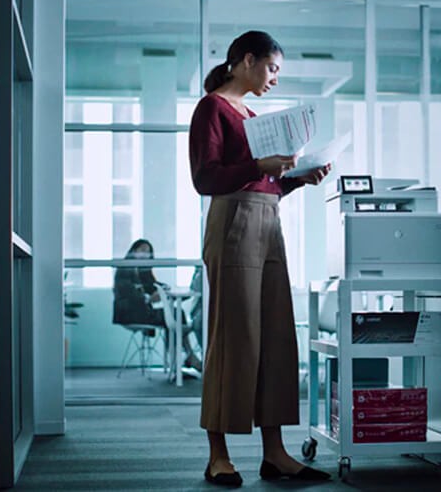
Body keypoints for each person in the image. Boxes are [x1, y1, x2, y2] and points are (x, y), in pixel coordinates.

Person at [189, 30, 332, 487]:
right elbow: (205, 178)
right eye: (272, 68)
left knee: (274, 337)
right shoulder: (212, 107)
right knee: (235, 339)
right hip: (233, 225)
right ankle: (219, 455)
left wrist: (296, 179)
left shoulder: (251, 115)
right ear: (246, 60)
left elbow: (263, 184)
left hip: (268, 222)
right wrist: (260, 166)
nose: (274, 78)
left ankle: (275, 453)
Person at [112, 239, 202, 371]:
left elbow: (153, 284)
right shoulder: (124, 268)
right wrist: (148, 298)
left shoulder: (143, 270)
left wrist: (164, 288)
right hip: (130, 314)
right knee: (175, 315)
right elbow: (127, 293)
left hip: (141, 311)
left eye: (148, 252)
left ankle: (180, 359)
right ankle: (186, 356)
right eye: (142, 250)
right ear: (134, 251)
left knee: (176, 313)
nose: (145, 254)